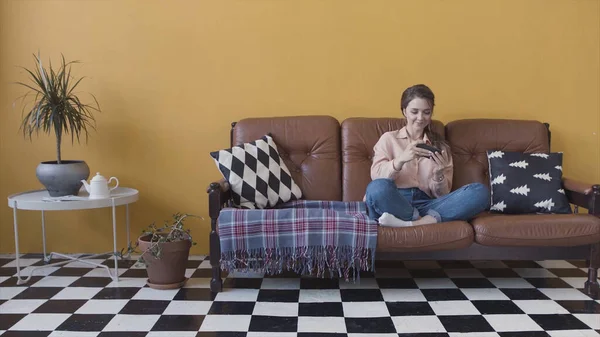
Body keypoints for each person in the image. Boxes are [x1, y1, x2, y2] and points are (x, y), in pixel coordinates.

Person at [365, 84, 490, 227]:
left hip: (427, 204)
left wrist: (439, 176)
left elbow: (443, 196)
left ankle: (410, 222)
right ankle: (420, 219)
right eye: (414, 111)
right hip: (395, 200)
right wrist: (400, 160)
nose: (420, 118)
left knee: (480, 192)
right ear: (404, 111)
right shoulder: (388, 139)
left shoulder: (440, 147)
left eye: (426, 112)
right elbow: (377, 176)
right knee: (376, 188)